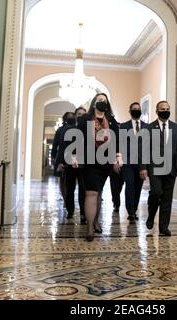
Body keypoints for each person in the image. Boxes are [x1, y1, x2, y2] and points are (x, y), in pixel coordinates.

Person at [73, 93, 122, 241]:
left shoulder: (112, 121)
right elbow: (77, 138)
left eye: (104, 101)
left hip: (105, 163)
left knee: (99, 193)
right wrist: (74, 155)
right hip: (89, 162)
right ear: (94, 103)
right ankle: (89, 228)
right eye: (99, 100)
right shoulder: (85, 119)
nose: (102, 103)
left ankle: (96, 221)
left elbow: (116, 143)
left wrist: (117, 159)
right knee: (91, 193)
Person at [140, 101, 177, 236]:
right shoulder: (149, 128)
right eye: (162, 109)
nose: (165, 111)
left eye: (168, 109)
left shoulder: (176, 128)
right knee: (156, 192)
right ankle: (151, 216)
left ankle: (164, 226)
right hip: (154, 167)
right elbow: (143, 150)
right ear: (157, 111)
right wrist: (143, 168)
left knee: (167, 197)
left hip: (171, 167)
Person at [57, 108, 87, 224]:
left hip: (84, 163)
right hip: (69, 163)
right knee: (70, 188)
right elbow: (63, 147)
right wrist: (61, 162)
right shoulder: (67, 130)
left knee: (83, 189)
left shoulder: (89, 129)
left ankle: (84, 213)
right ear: (75, 116)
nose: (81, 116)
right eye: (79, 114)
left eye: (83, 114)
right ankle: (70, 210)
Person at [120, 102, 148, 223]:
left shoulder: (147, 127)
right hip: (128, 163)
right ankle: (130, 212)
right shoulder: (124, 126)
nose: (137, 110)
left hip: (142, 163)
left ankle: (134, 209)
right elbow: (120, 144)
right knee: (129, 186)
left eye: (138, 109)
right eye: (134, 109)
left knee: (138, 187)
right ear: (130, 111)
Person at [52, 112, 73, 204]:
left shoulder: (75, 129)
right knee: (62, 179)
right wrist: (53, 155)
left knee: (69, 180)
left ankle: (67, 199)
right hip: (61, 156)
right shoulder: (60, 130)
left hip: (72, 157)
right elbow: (55, 144)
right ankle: (65, 199)